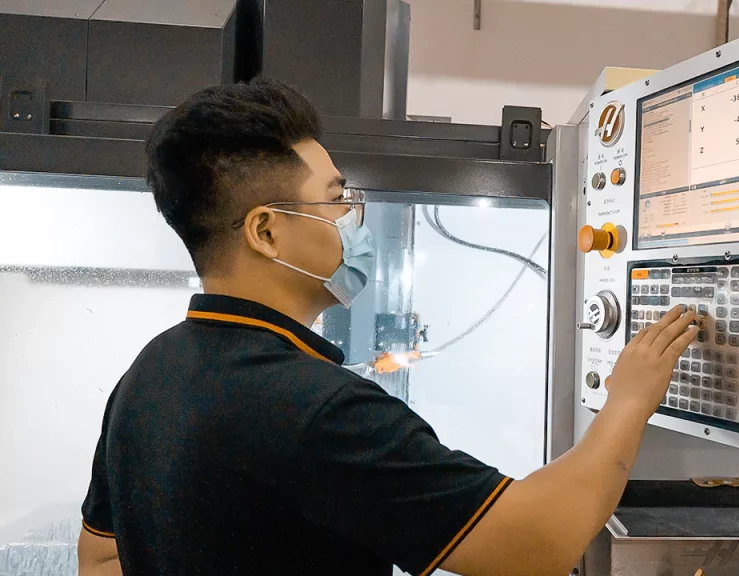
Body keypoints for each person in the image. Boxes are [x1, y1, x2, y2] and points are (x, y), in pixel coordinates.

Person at [77, 78, 699, 576]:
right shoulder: (319, 411)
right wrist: (629, 399)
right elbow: (536, 543)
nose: (353, 217)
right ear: (266, 231)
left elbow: (100, 559)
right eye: (337, 198)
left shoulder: (149, 373)